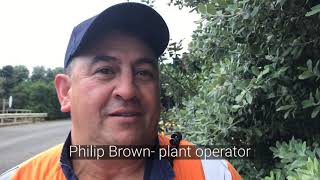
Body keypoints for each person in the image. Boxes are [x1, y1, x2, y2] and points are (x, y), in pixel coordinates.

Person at [0, 2, 241, 180]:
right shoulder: (21, 177)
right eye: (105, 70)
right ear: (65, 92)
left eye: (143, 72)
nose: (127, 91)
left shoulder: (213, 174)